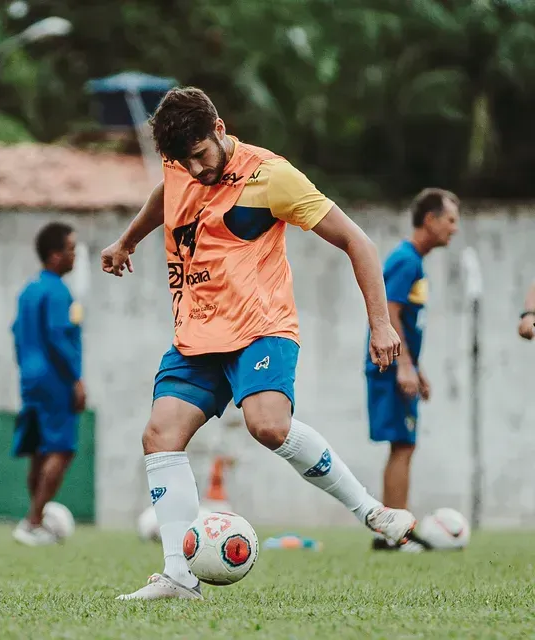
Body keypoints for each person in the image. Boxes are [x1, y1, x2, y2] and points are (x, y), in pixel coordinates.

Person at [101, 86, 415, 600]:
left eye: (201, 155)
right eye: (183, 160)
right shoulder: (180, 162)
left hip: (260, 329)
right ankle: (179, 576)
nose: (195, 170)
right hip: (197, 334)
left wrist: (381, 325)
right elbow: (166, 191)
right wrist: (128, 240)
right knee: (159, 436)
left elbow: (359, 241)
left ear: (220, 129)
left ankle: (371, 511)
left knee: (268, 427)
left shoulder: (270, 176)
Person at [365, 188, 459, 551]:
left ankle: (392, 531)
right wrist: (403, 367)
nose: (454, 229)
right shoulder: (406, 259)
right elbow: (389, 312)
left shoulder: (412, 260)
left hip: (399, 366)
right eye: (450, 221)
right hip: (390, 367)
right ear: (431, 219)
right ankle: (394, 532)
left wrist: (416, 369)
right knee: (403, 445)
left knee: (403, 445)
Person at [11, 222, 86, 546]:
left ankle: (35, 521)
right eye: (70, 249)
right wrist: (76, 379)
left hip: (30, 377)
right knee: (62, 449)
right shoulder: (58, 290)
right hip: (55, 378)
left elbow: (16, 332)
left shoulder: (28, 290)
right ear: (55, 255)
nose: (74, 256)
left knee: (39, 450)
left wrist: (28, 368)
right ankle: (33, 521)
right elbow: (58, 336)